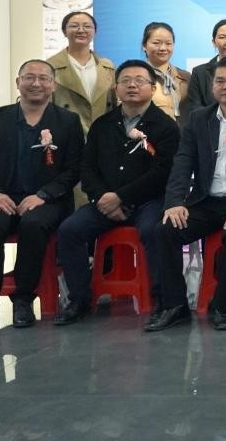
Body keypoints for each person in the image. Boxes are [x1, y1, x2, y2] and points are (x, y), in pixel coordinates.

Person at [147, 57, 226, 332]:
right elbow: (183, 161)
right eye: (220, 81)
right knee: (163, 230)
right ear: (212, 86)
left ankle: (220, 304)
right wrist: (174, 202)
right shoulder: (198, 118)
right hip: (205, 201)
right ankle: (175, 305)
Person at [53, 60, 180, 326]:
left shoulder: (166, 127)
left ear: (153, 88)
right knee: (69, 230)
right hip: (105, 201)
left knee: (156, 231)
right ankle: (79, 299)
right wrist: (102, 198)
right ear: (116, 88)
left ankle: (164, 302)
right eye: (125, 81)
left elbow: (162, 174)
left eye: (140, 81)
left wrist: (121, 197)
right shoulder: (102, 125)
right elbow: (87, 168)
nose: (132, 85)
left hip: (148, 201)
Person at [0, 60, 84, 331]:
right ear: (18, 82)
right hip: (3, 197)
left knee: (33, 224)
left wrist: (44, 195)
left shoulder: (67, 121)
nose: (36, 83)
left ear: (53, 85)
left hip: (48, 200)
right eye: (29, 77)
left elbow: (74, 169)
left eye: (43, 78)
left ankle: (23, 299)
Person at [47, 11, 115, 134]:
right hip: (66, 133)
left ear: (95, 32)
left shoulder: (107, 66)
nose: (81, 30)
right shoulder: (50, 66)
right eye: (74, 26)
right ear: (64, 31)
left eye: (87, 26)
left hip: (102, 134)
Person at [140, 22, 190, 121]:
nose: (163, 48)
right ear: (144, 45)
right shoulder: (134, 77)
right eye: (156, 43)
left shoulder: (186, 77)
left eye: (168, 43)